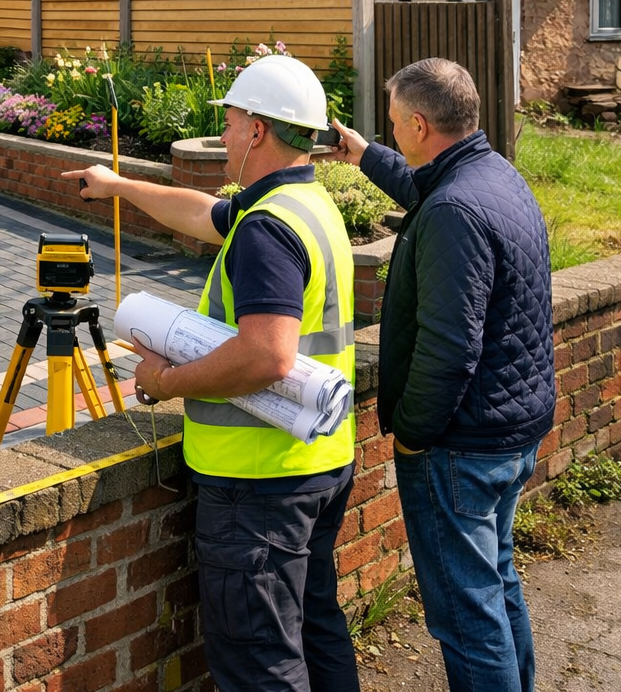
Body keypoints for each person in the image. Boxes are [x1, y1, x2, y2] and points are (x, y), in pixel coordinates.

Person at [65, 54, 359, 692]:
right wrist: (117, 186)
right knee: (315, 629)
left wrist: (166, 382)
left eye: (227, 123)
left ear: (255, 130)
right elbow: (202, 214)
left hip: (258, 484)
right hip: (319, 460)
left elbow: (266, 356)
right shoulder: (305, 203)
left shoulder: (267, 231)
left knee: (261, 664)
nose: (222, 136)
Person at [328, 58, 554, 692]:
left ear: (421, 123)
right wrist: (364, 154)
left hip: (461, 443)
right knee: (496, 583)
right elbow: (428, 188)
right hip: (513, 426)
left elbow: (450, 348)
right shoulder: (492, 173)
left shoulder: (455, 209)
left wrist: (413, 435)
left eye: (396, 122)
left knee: (465, 615)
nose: (394, 131)